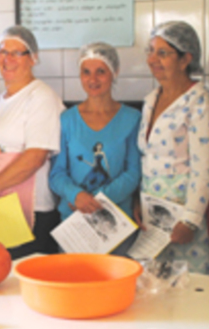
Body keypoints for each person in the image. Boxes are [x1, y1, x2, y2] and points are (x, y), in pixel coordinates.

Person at [0, 26, 65, 258]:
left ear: (32, 59)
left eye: (16, 53)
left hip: (29, 213)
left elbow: (34, 158)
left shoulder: (41, 98)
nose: (7, 59)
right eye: (2, 52)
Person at [138, 21, 209, 273]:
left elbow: (205, 169)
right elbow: (146, 157)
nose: (153, 59)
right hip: (152, 212)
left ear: (186, 59)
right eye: (151, 51)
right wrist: (138, 201)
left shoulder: (200, 102)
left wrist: (190, 219)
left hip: (183, 211)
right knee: (152, 287)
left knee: (187, 287)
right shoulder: (151, 99)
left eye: (163, 53)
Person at [48, 42, 140, 243]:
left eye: (101, 71)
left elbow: (133, 172)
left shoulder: (132, 119)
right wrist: (76, 195)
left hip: (116, 223)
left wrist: (97, 200)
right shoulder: (67, 120)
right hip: (74, 224)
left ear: (114, 72)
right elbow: (57, 174)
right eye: (86, 72)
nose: (93, 79)